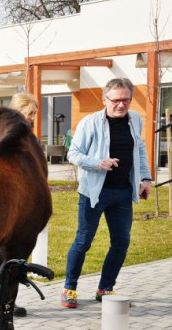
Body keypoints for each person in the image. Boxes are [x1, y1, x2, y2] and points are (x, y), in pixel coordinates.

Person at [61, 77, 151, 309]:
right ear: (105, 99)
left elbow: (139, 149)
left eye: (127, 100)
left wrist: (145, 178)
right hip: (94, 193)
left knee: (121, 242)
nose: (121, 105)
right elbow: (74, 154)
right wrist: (98, 163)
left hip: (122, 193)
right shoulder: (90, 123)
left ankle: (105, 288)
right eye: (117, 100)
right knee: (83, 241)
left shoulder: (135, 120)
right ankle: (69, 288)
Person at [6, 92, 40, 318]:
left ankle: (9, 301)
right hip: (8, 202)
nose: (33, 118)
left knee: (17, 258)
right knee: (2, 258)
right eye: (30, 113)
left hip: (25, 203)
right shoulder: (8, 135)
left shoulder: (30, 136)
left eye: (34, 114)